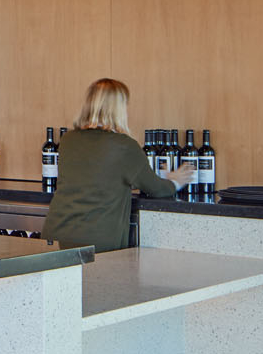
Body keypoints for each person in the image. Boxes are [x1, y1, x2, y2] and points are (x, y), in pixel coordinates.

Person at [43, 77, 194, 252]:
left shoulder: (68, 140)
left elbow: (93, 177)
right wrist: (174, 181)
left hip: (57, 233)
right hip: (97, 241)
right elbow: (156, 189)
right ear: (118, 109)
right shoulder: (124, 146)